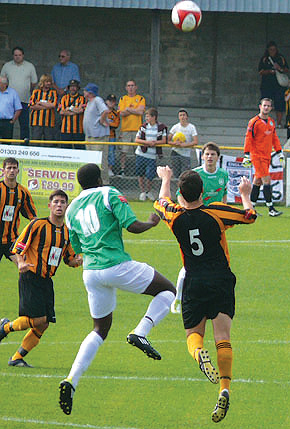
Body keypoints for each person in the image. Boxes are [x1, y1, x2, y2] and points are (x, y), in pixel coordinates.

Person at [58, 163, 175, 415]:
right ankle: (141, 332)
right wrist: (151, 223)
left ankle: (71, 380)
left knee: (99, 329)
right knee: (168, 291)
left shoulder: (70, 210)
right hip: (117, 265)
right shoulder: (108, 193)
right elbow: (131, 225)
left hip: (90, 272)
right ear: (99, 179)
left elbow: (77, 247)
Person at [154, 166, 256, 423]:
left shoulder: (175, 217)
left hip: (194, 282)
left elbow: (160, 202)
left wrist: (166, 178)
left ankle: (199, 353)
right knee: (223, 336)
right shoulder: (216, 211)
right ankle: (225, 387)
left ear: (181, 194)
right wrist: (245, 194)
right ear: (203, 192)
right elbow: (249, 215)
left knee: (194, 336)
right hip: (221, 280)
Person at [0, 189, 82, 367]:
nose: (59, 205)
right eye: (56, 202)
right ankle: (4, 327)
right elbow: (18, 246)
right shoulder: (37, 225)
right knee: (37, 320)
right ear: (50, 205)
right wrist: (21, 262)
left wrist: (80, 261)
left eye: (62, 202)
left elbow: (69, 259)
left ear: (67, 206)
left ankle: (17, 358)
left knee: (43, 324)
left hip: (47, 281)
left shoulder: (67, 232)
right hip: (30, 276)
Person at [172, 142, 229, 313]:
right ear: (202, 156)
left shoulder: (223, 175)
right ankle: (178, 298)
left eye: (213, 154)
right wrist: (187, 211)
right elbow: (179, 195)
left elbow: (224, 194)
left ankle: (210, 298)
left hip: (213, 223)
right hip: (197, 221)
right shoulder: (195, 174)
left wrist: (223, 214)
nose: (210, 157)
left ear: (218, 157)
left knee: (210, 260)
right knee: (192, 262)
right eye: (207, 154)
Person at [242, 97, 285, 217]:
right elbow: (248, 138)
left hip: (267, 156)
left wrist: (279, 151)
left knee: (257, 181)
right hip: (257, 156)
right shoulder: (254, 121)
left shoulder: (271, 122)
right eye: (264, 105)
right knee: (267, 180)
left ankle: (251, 208)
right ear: (260, 106)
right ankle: (271, 209)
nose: (266, 107)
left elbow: (274, 138)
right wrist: (246, 154)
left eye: (268, 106)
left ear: (271, 108)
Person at [0, 157, 37, 266]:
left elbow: (32, 216)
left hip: (11, 240)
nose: (12, 170)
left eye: (14, 168)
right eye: (9, 168)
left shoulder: (23, 192)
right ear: (3, 170)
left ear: (18, 171)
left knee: (26, 266)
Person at [1, 46, 38, 140]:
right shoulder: (7, 66)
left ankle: (24, 147)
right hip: (9, 102)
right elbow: (2, 81)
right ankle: (8, 148)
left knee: (24, 125)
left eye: (19, 55)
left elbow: (34, 83)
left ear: (23, 55)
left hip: (24, 100)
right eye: (15, 55)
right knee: (8, 125)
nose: (17, 57)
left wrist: (26, 89)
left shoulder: (30, 66)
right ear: (13, 56)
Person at [135, 107, 167, 201]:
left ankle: (148, 191)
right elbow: (137, 139)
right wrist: (147, 143)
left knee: (150, 175)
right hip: (141, 153)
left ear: (154, 117)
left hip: (152, 155)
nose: (146, 118)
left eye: (148, 116)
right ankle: (142, 192)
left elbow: (164, 140)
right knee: (140, 173)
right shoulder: (143, 127)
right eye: (146, 116)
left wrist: (155, 143)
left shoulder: (161, 127)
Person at [83, 83, 110, 183]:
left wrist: (102, 121)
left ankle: (104, 183)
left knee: (101, 162)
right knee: (91, 162)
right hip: (90, 136)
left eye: (85, 90)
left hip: (98, 137)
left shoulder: (97, 100)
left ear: (90, 92)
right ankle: (94, 182)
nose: (84, 92)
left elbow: (105, 111)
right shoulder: (90, 102)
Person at [258, 41, 289, 128]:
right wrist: (270, 71)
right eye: (271, 50)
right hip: (267, 85)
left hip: (279, 86)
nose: (272, 51)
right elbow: (260, 71)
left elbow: (286, 69)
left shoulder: (280, 58)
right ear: (268, 50)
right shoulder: (265, 59)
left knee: (279, 103)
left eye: (274, 49)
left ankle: (278, 123)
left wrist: (279, 68)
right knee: (266, 103)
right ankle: (263, 123)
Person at [118, 80, 146, 176]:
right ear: (126, 88)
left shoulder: (141, 98)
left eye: (132, 85)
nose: (130, 87)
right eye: (128, 85)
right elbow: (121, 113)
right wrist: (135, 110)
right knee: (123, 151)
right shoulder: (122, 99)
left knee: (137, 151)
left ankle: (138, 170)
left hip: (137, 129)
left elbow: (141, 112)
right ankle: (122, 170)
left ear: (136, 87)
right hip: (125, 129)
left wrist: (128, 109)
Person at [168, 109, 198, 177]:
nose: (182, 117)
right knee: (176, 174)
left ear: (187, 117)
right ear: (178, 117)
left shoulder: (192, 127)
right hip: (175, 152)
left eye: (184, 115)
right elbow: (168, 141)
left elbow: (195, 141)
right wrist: (175, 143)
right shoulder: (175, 127)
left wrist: (184, 145)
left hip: (186, 154)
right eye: (180, 115)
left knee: (185, 174)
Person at [29, 74, 57, 142]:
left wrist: (40, 103)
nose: (49, 83)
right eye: (47, 81)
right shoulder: (36, 92)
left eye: (50, 81)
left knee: (49, 144)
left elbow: (53, 105)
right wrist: (47, 106)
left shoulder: (53, 92)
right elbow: (32, 105)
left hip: (49, 123)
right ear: (42, 82)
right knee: (35, 143)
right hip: (36, 122)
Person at [59, 79, 85, 149]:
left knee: (79, 150)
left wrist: (69, 109)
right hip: (65, 130)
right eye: (71, 86)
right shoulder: (64, 98)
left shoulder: (82, 98)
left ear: (77, 88)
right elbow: (61, 111)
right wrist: (74, 111)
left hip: (78, 130)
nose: (73, 88)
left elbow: (81, 110)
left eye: (74, 86)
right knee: (66, 150)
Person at [0, 75, 22, 141]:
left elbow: (18, 108)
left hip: (7, 122)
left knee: (7, 143)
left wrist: (13, 120)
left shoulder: (13, 93)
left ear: (5, 84)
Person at [105, 94, 120, 177]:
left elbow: (116, 125)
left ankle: (109, 168)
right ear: (106, 101)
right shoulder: (102, 111)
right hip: (102, 136)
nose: (111, 103)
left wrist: (106, 124)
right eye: (110, 101)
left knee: (111, 153)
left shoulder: (115, 113)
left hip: (111, 136)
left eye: (113, 101)